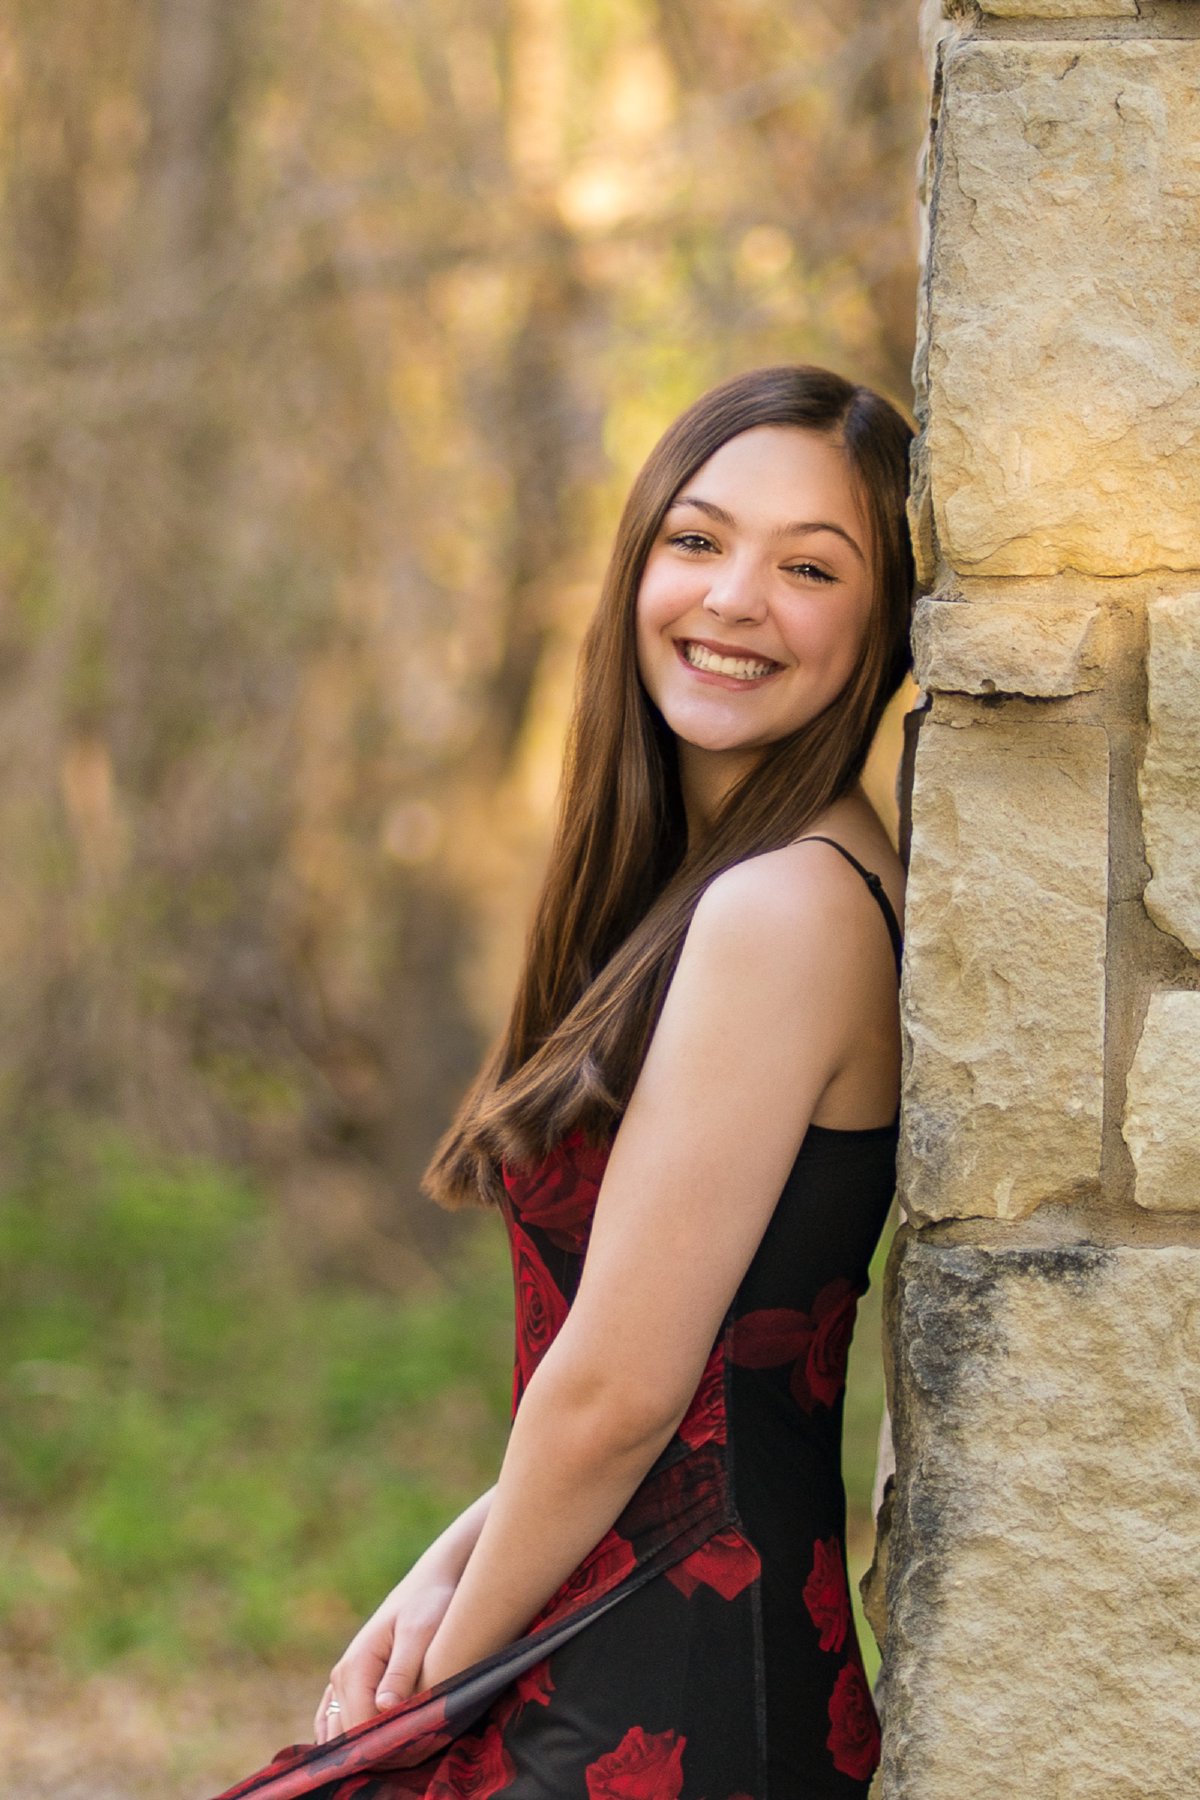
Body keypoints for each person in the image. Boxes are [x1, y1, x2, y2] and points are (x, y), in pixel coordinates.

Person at [210, 363, 914, 1800]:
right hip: (632, 1644)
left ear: (885, 621)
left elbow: (623, 1391)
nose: (732, 600)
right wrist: (443, 1566)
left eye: (811, 568)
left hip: (668, 1702)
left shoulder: (784, 910)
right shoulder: (730, 889)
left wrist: (433, 1699)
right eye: (699, 541)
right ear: (640, 557)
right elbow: (658, 1357)